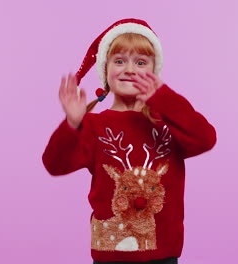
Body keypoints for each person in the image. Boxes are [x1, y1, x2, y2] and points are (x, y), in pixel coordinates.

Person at [42, 18, 217, 264]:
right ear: (106, 70)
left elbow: (206, 138)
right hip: (111, 254)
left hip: (163, 252)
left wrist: (163, 97)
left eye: (141, 62)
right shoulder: (93, 126)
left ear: (154, 73)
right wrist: (72, 124)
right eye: (120, 61)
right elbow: (54, 163)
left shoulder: (167, 121)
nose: (130, 69)